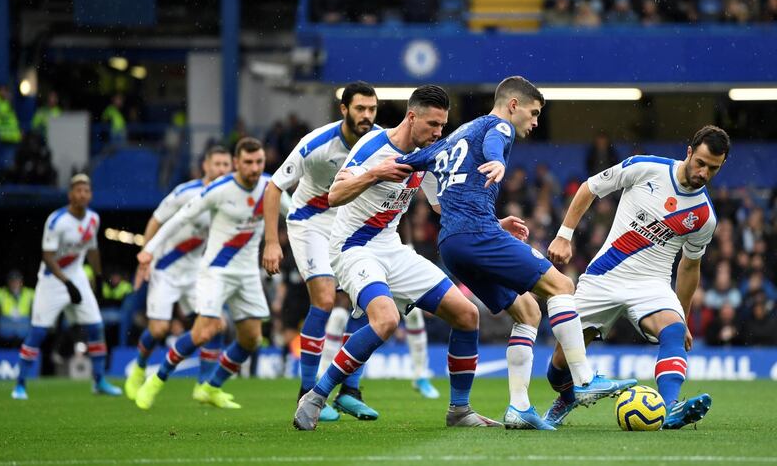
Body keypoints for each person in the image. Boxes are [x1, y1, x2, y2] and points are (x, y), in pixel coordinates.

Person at [399, 76, 634, 430]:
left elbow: (417, 160)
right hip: (477, 234)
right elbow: (497, 140)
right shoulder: (499, 126)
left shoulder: (459, 133)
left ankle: (519, 408)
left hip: (452, 245)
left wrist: (368, 172)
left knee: (527, 312)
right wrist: (498, 162)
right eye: (534, 112)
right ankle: (584, 380)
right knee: (561, 287)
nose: (536, 121)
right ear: (513, 105)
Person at [293, 85, 499, 431]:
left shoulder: (431, 152)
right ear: (412, 116)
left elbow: (441, 205)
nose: (438, 133)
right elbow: (335, 195)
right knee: (385, 320)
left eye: (443, 126)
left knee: (466, 314)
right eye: (432, 125)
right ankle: (316, 395)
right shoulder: (374, 147)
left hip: (391, 247)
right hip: (353, 247)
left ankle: (460, 410)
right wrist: (375, 173)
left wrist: (490, 223)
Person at [264, 82, 439, 422]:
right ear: (343, 110)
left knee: (365, 302)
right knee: (326, 300)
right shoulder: (317, 143)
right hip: (309, 222)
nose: (367, 116)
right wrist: (273, 241)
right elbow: (273, 187)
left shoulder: (381, 142)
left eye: (372, 110)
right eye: (360, 109)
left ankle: (350, 391)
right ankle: (306, 391)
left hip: (349, 224)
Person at [545, 125, 730, 429]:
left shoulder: (704, 217)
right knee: (558, 369)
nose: (704, 173)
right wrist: (564, 236)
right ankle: (566, 398)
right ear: (689, 152)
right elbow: (590, 187)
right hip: (602, 278)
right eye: (700, 162)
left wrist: (682, 317)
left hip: (651, 284)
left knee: (671, 331)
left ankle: (670, 407)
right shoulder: (645, 167)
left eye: (713, 168)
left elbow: (689, 266)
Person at [134, 138, 290, 410]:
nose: (254, 168)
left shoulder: (270, 188)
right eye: (248, 162)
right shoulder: (220, 189)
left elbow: (297, 215)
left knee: (252, 338)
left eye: (259, 162)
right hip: (216, 271)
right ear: (236, 163)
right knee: (204, 332)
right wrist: (150, 249)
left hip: (248, 275)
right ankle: (156, 380)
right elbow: (180, 218)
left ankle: (211, 387)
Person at [124, 146, 232, 403]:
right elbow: (156, 220)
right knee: (159, 329)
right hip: (166, 268)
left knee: (213, 324)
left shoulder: (229, 196)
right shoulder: (186, 192)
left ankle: (205, 386)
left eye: (226, 165)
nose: (221, 169)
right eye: (216, 164)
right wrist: (146, 256)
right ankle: (139, 367)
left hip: (196, 272)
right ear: (205, 166)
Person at [12, 174, 122, 400]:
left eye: (86, 191)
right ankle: (20, 384)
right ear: (70, 194)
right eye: (78, 190)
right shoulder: (57, 220)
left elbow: (92, 249)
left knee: (96, 327)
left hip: (77, 276)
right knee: (39, 332)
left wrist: (98, 278)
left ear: (90, 195)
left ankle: (99, 381)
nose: (83, 194)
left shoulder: (93, 218)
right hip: (52, 280)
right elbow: (48, 257)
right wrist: (66, 283)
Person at [0, 270, 34, 343]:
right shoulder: (0, 293)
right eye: (12, 281)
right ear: (8, 283)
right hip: (6, 328)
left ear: (21, 283)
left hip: (23, 328)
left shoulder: (30, 293)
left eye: (17, 281)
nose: (14, 284)